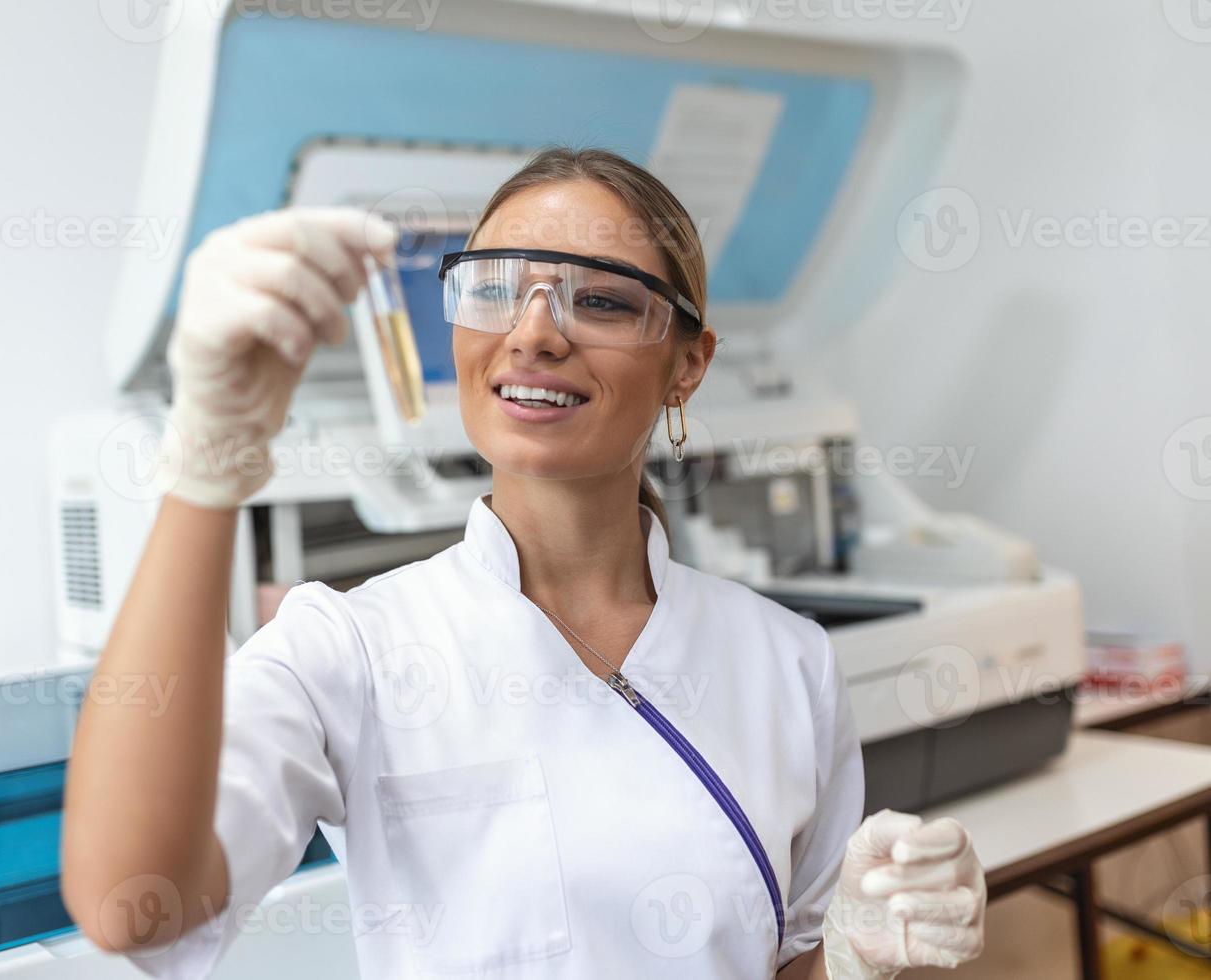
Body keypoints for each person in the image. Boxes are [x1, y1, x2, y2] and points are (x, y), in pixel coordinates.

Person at [60, 146, 986, 979]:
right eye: (495, 289)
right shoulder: (350, 648)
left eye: (603, 298)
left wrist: (851, 959)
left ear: (687, 365)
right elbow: (131, 903)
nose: (536, 332)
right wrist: (211, 458)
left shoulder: (787, 661)